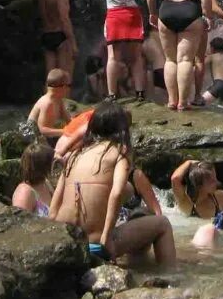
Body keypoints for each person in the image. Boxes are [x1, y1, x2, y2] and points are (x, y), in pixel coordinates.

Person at [50, 101, 176, 264]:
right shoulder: (120, 152)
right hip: (94, 245)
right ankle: (171, 279)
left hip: (65, 240)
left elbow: (53, 209)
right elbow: (116, 193)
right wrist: (106, 237)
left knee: (128, 191)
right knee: (163, 224)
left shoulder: (74, 155)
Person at [146, 0, 212, 110]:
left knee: (170, 59)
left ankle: (171, 101)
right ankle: (183, 102)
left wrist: (152, 13)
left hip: (166, 11)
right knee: (185, 59)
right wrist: (207, 15)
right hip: (189, 12)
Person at [100, 0, 147, 101]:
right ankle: (140, 93)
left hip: (113, 15)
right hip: (132, 15)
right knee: (136, 57)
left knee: (113, 57)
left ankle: (112, 94)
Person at [171, 159, 223, 247]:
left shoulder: (220, 197)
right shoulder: (186, 202)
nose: (217, 182)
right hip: (193, 242)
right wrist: (188, 162)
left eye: (215, 177)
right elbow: (175, 179)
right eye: (212, 181)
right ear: (199, 185)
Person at [27, 69, 71, 144]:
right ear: (63, 87)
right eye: (69, 85)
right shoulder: (47, 103)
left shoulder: (58, 100)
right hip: (34, 140)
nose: (69, 89)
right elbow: (41, 130)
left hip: (46, 137)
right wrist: (64, 131)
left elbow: (69, 120)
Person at [12, 142, 55, 216]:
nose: (54, 165)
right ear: (42, 167)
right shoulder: (24, 193)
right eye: (51, 162)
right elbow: (20, 222)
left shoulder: (45, 183)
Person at [200, 37, 223, 106]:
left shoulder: (212, 57)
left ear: (212, 48)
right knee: (222, 109)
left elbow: (201, 66)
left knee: (200, 103)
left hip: (218, 85)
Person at [141, 26, 167, 105]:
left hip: (157, 72)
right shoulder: (164, 35)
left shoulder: (145, 42)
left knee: (158, 102)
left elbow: (143, 66)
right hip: (168, 70)